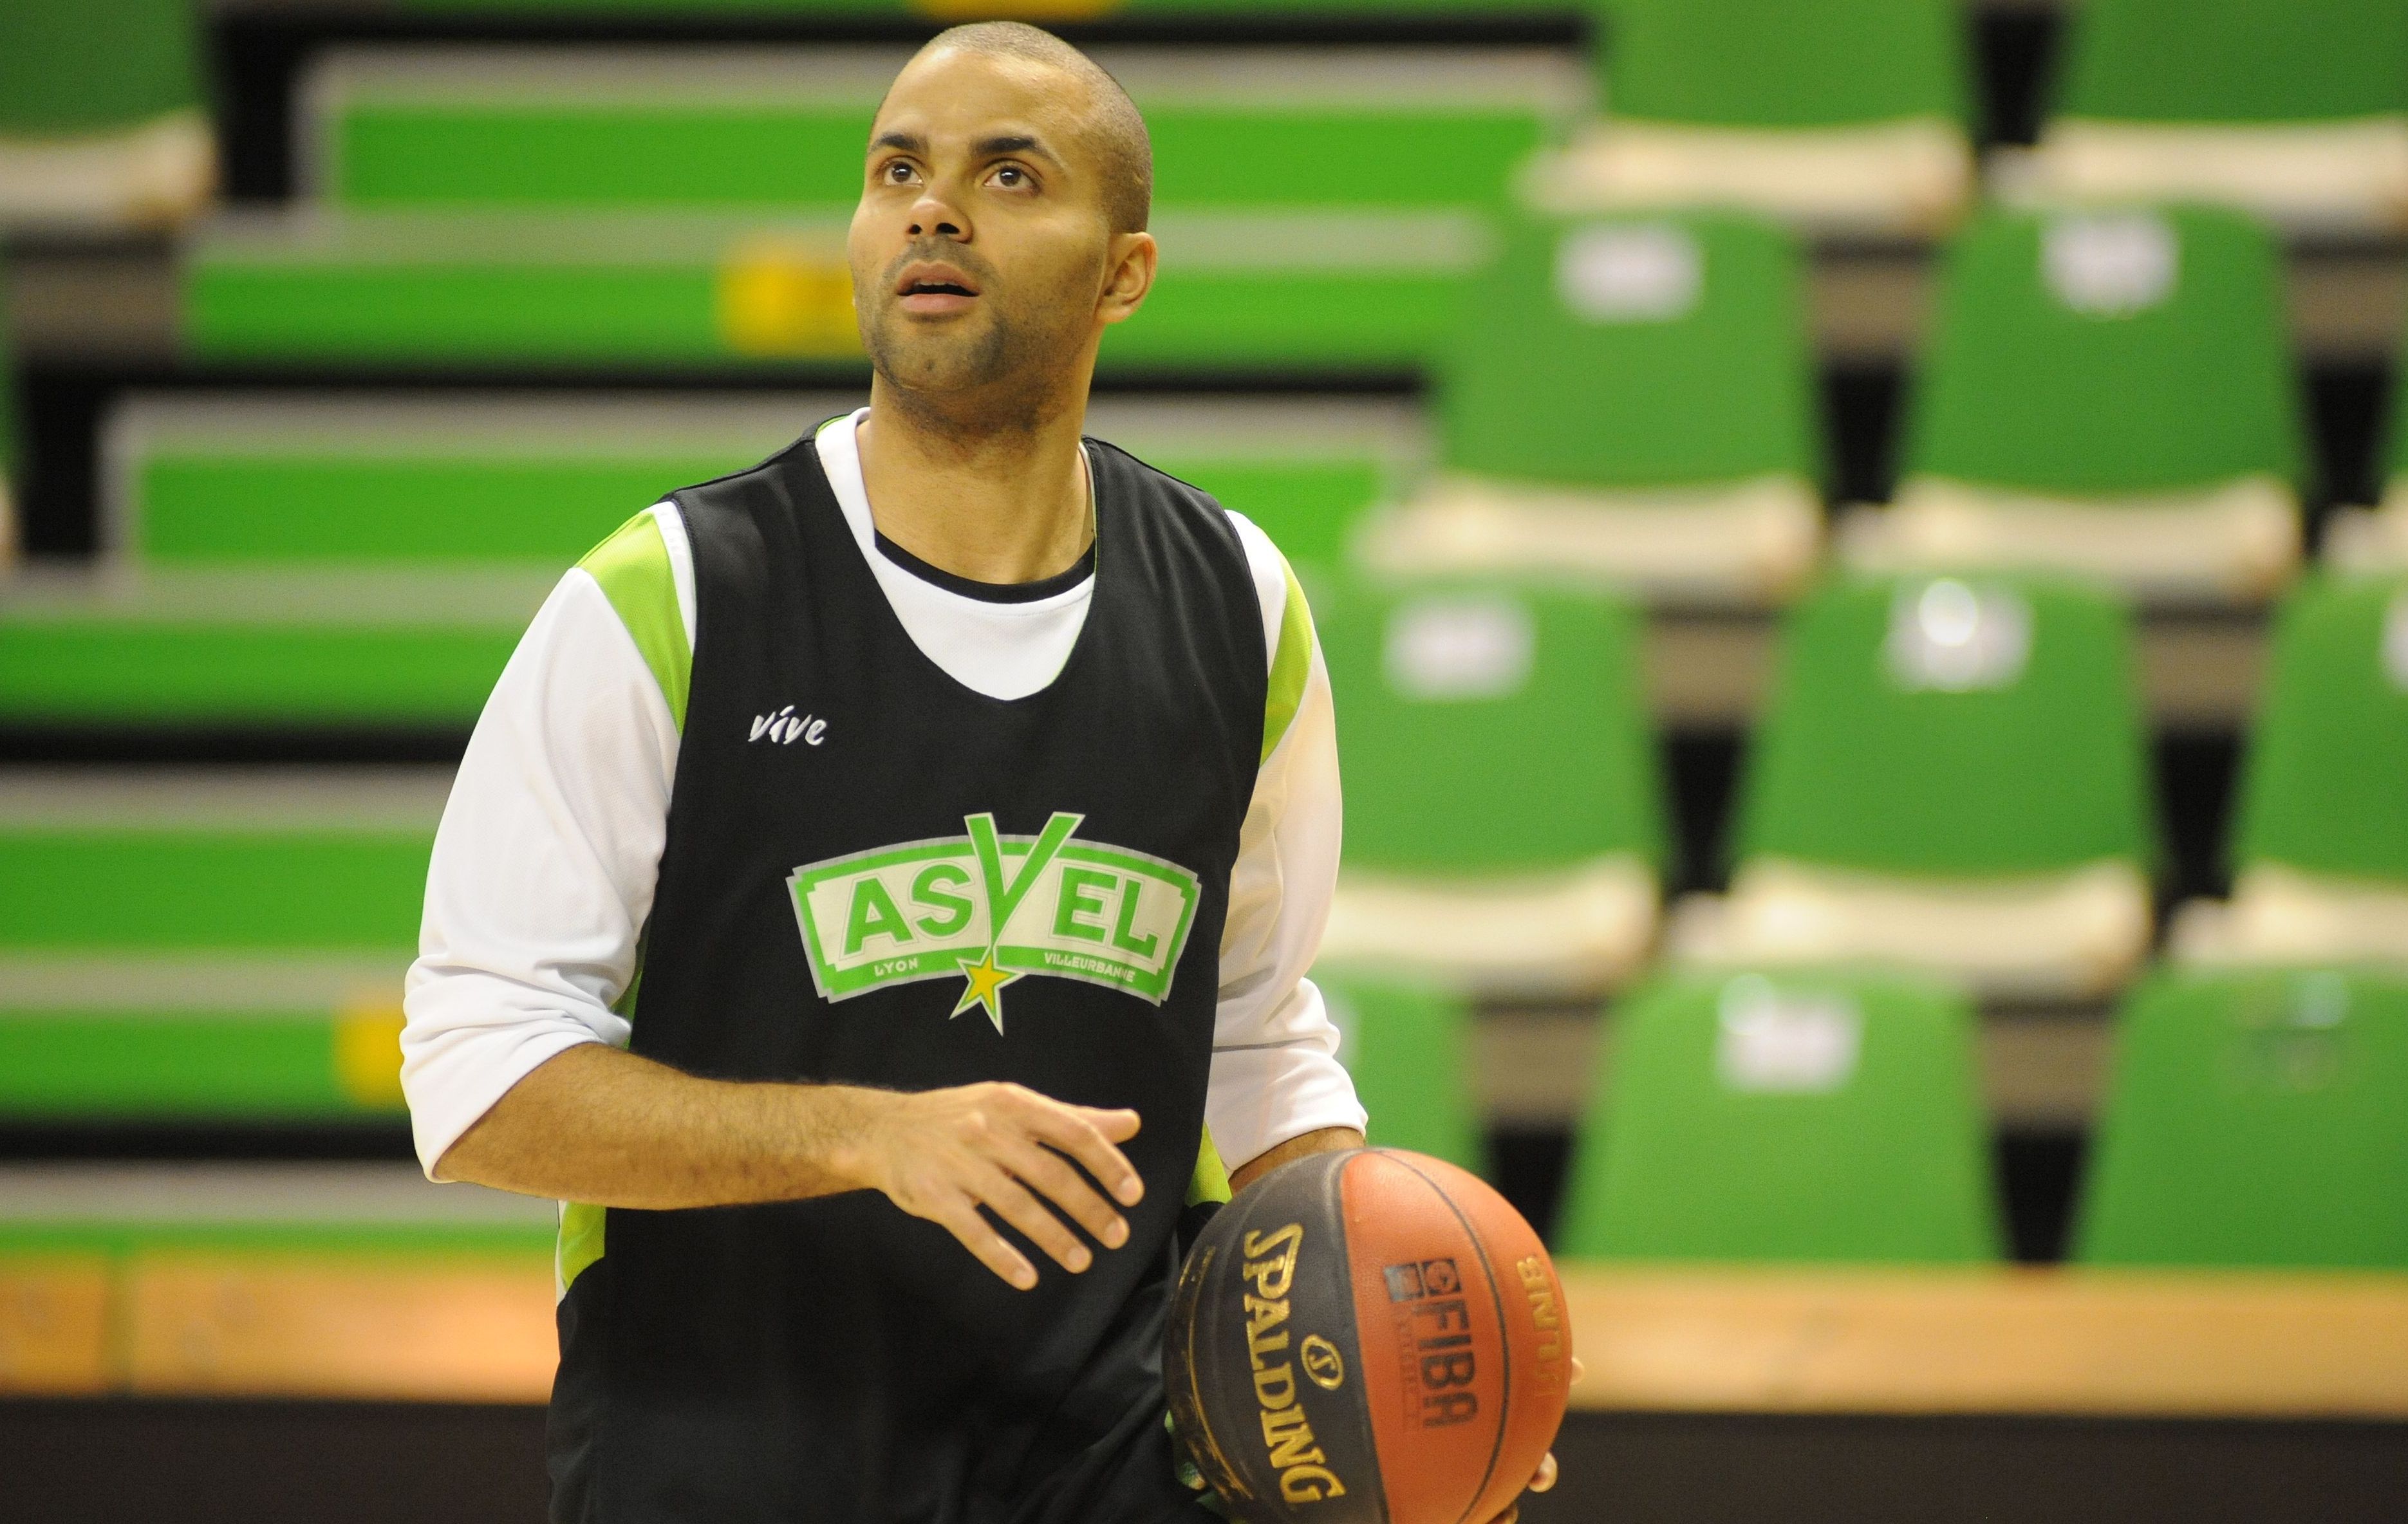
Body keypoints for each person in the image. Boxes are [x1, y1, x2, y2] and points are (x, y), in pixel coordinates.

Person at [400, 22, 1557, 1522]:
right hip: (727, 1462)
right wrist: (867, 1132)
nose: (933, 210)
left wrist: (1397, 1356)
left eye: (1009, 175)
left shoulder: (1238, 602)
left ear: (1122, 274)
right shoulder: (674, 593)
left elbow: (1252, 1036)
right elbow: (478, 1076)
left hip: (1108, 1466)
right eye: (898, 171)